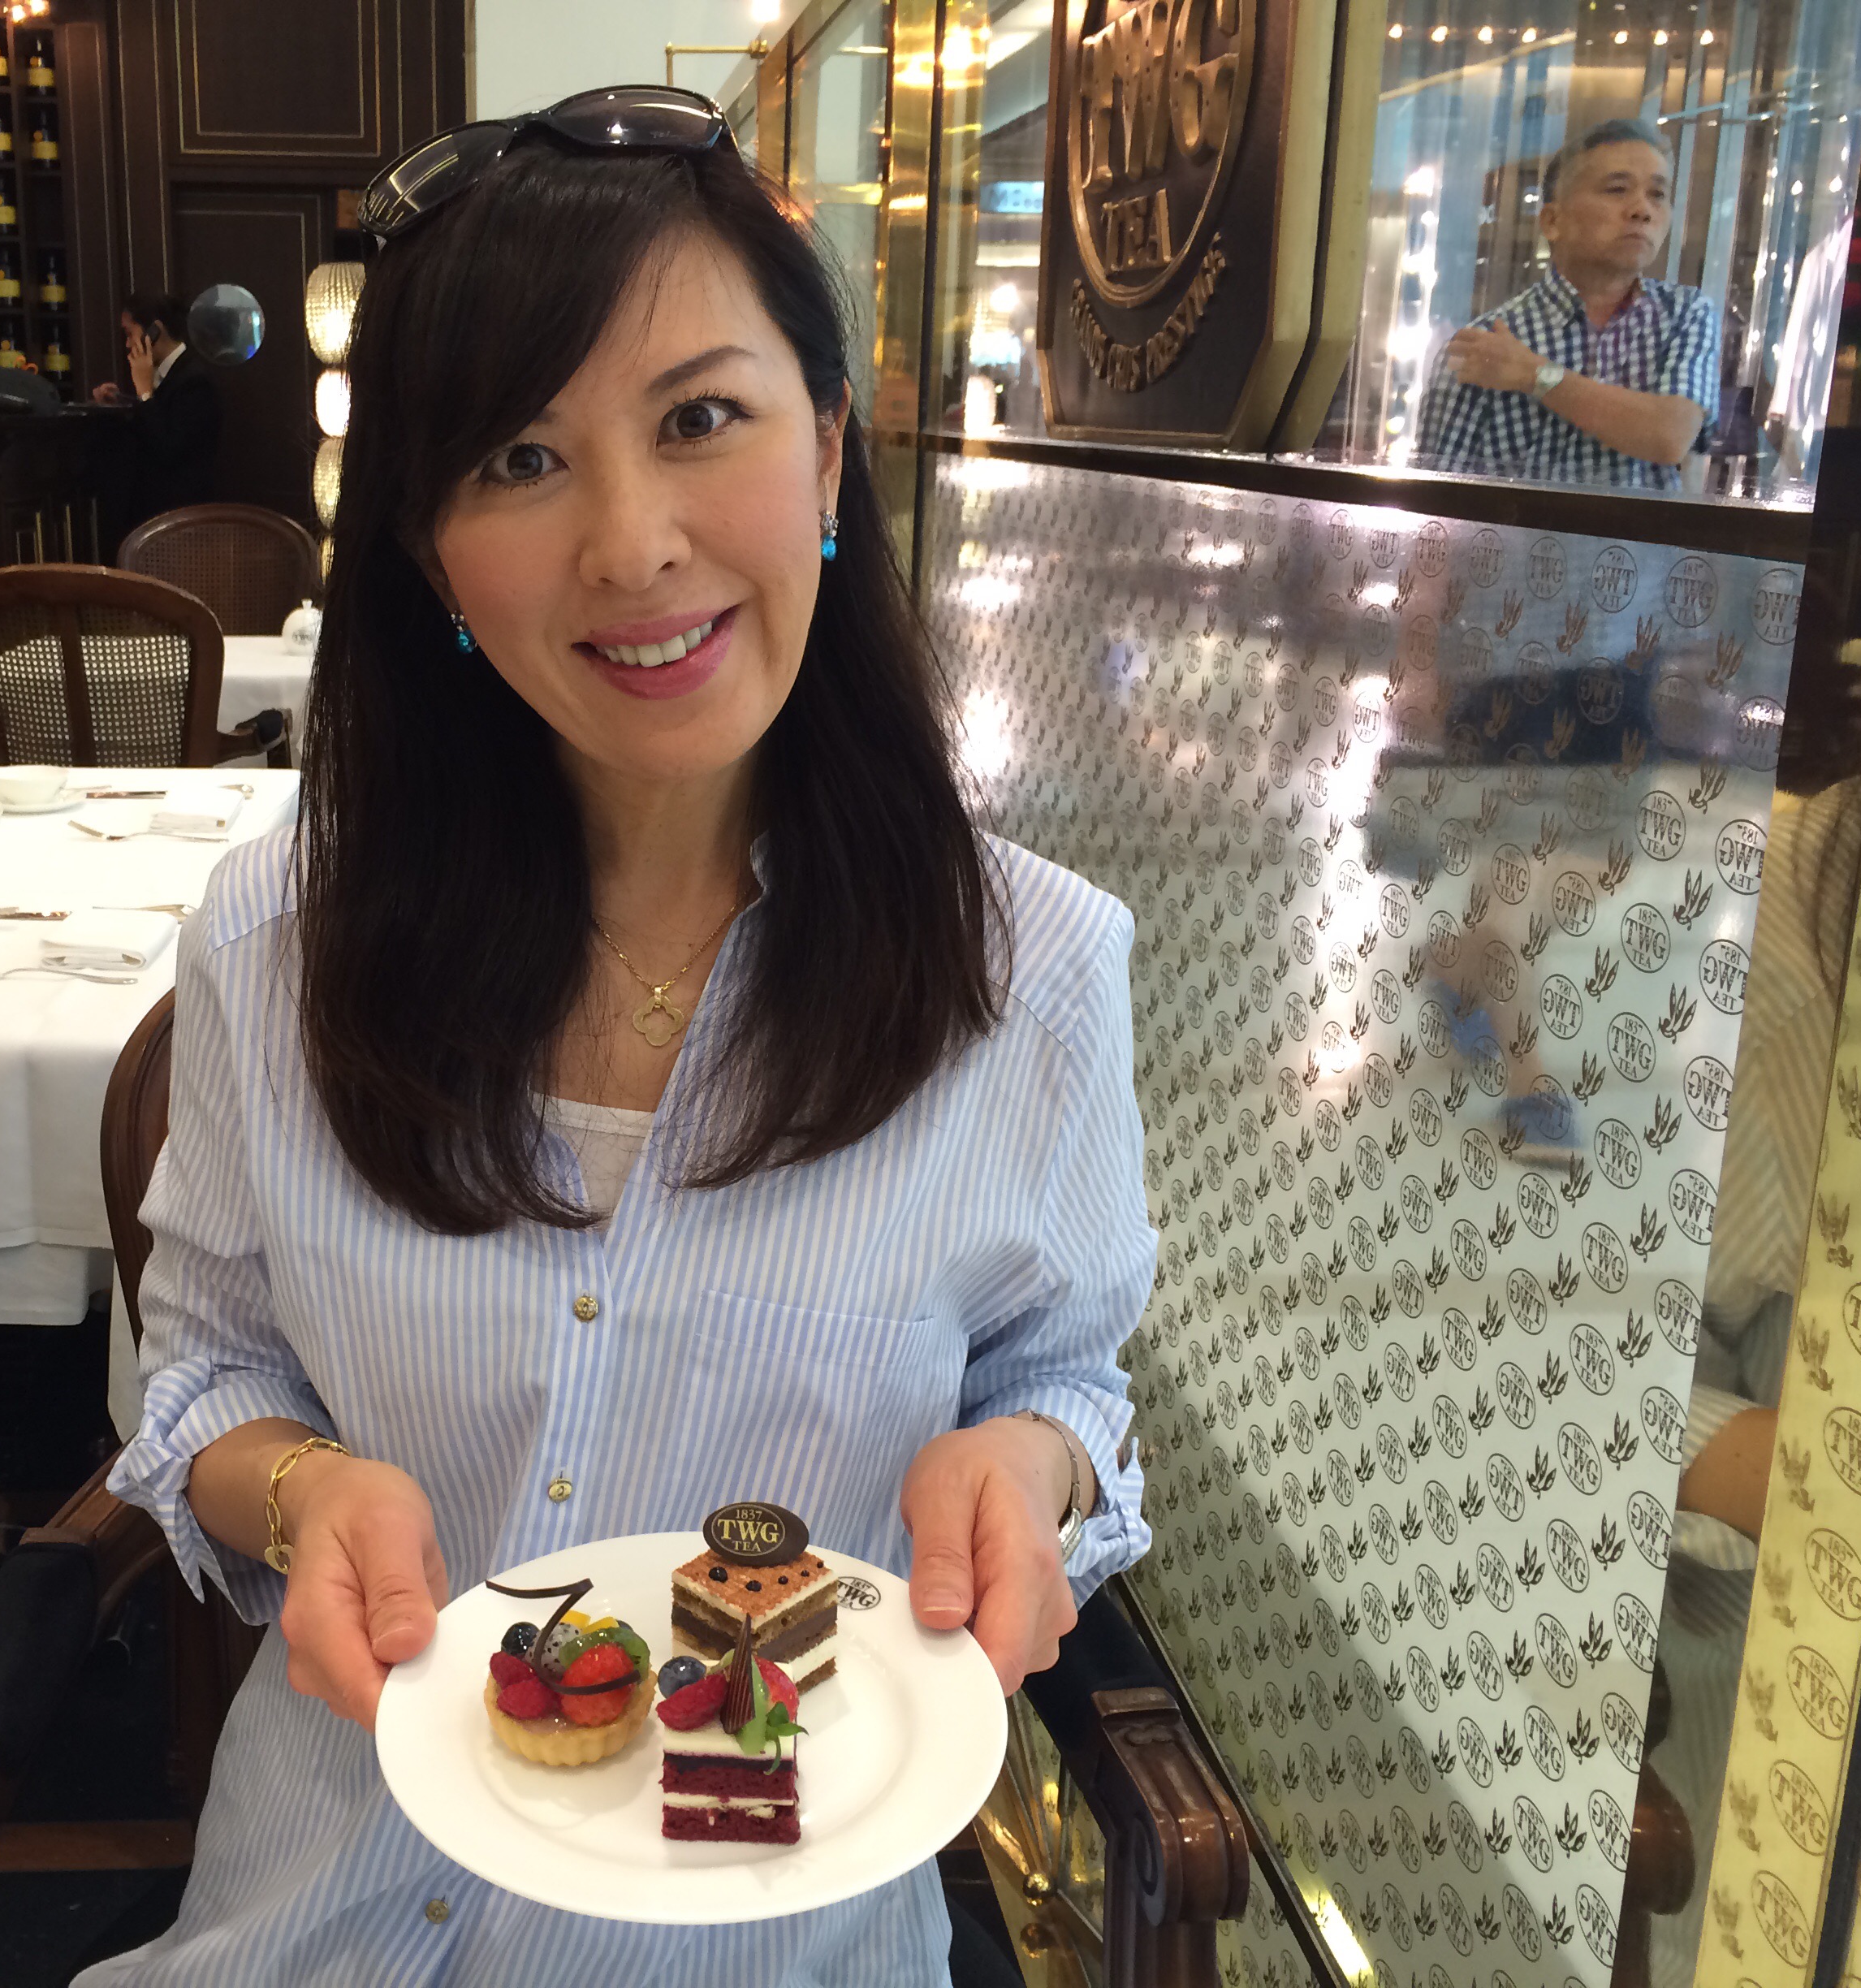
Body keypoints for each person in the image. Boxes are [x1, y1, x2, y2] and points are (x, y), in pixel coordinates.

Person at [84, 86, 1153, 1987]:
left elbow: (1063, 1376)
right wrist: (307, 1489)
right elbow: (206, 1372)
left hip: (777, 1933)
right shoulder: (279, 943)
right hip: (324, 1916)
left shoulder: (1037, 973)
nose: (634, 544)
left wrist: (1026, 1463)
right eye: (519, 457)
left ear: (828, 450)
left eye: (699, 419)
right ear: (428, 550)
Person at [1412, 118, 1721, 491]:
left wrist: (1534, 374)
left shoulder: (1685, 314)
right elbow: (1434, 492)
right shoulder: (1487, 344)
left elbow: (1670, 436)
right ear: (1552, 221)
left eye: (1657, 194)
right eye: (1617, 189)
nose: (1642, 210)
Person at [90, 289, 221, 516]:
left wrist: (144, 392)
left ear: (154, 331)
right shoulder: (160, 373)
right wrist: (122, 401)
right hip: (150, 509)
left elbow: (168, 447)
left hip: (180, 514)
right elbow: (155, 418)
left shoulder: (195, 381)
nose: (128, 344)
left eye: (130, 334)